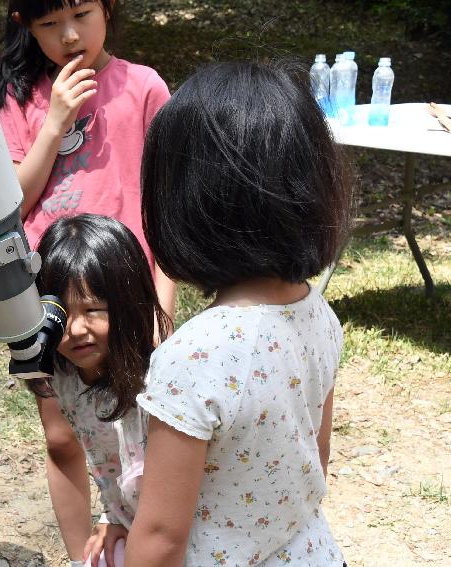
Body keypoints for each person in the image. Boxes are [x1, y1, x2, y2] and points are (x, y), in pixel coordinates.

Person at [124, 61, 352, 566]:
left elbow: (160, 537)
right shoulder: (319, 313)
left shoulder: (195, 354)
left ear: (185, 201)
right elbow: (316, 458)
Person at [0, 0, 177, 319]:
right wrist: (54, 123)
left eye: (81, 16)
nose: (69, 35)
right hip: (48, 292)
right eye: (49, 24)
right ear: (25, 24)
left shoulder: (145, 88)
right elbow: (13, 207)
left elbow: (169, 210)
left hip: (127, 287)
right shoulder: (21, 96)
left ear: (108, 7)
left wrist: (163, 312)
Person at [30, 214, 172, 567]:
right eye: (62, 314)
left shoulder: (159, 382)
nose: (76, 329)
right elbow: (107, 464)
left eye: (93, 309)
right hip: (133, 522)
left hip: (185, 527)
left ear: (128, 302)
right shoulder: (63, 376)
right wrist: (113, 515)